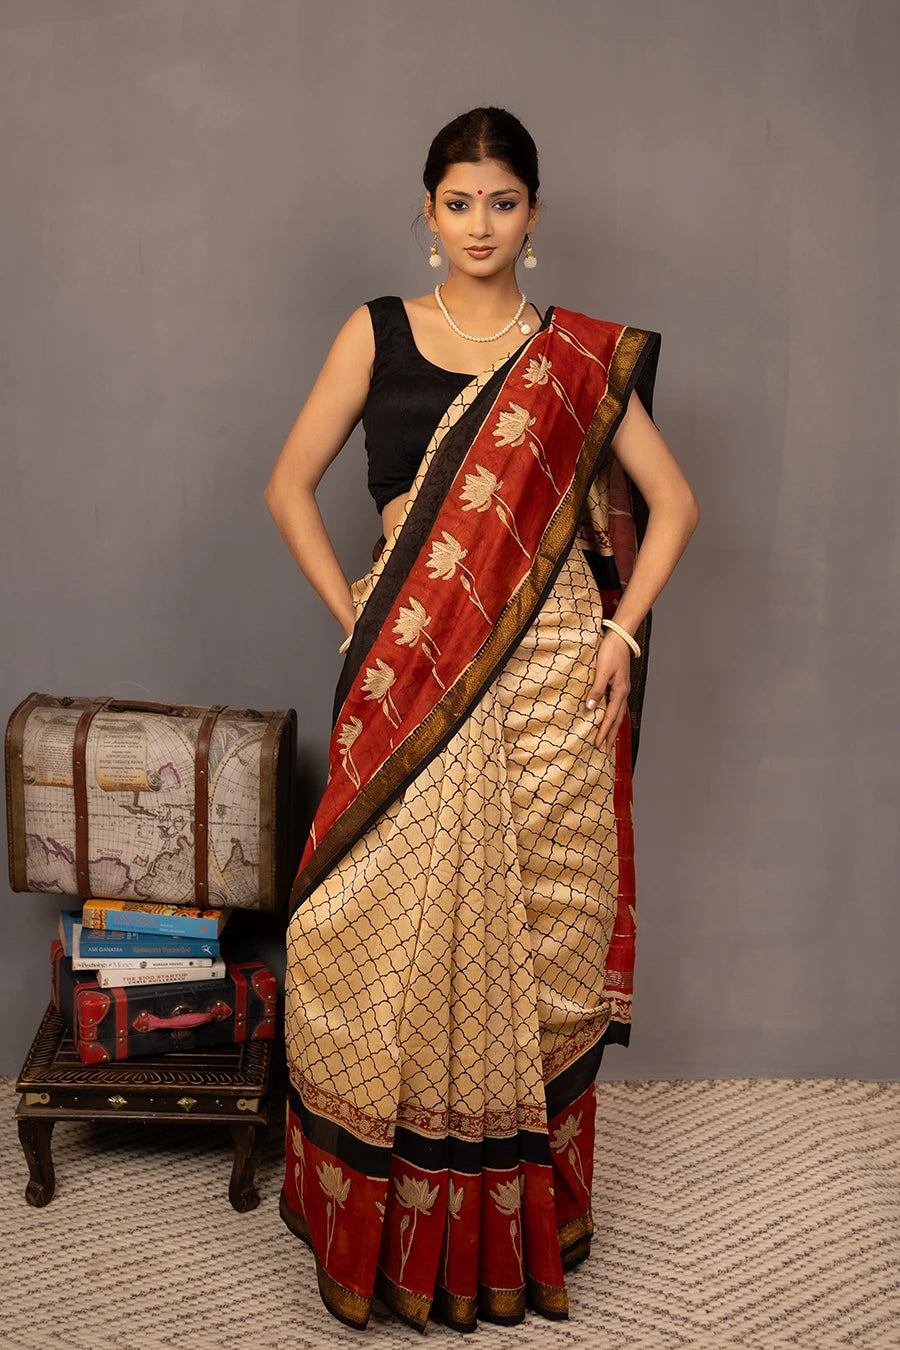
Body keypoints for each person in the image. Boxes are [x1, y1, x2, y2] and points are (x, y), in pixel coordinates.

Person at [264, 106, 699, 1334]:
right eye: (459, 201)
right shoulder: (379, 333)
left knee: (541, 944)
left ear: (535, 216)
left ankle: (509, 1230)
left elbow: (672, 506)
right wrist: (353, 606)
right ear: (428, 210)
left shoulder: (574, 356)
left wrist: (619, 631)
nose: (480, 225)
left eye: (503, 202)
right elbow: (287, 483)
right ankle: (388, 1226)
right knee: (366, 934)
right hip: (414, 666)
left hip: (554, 669)